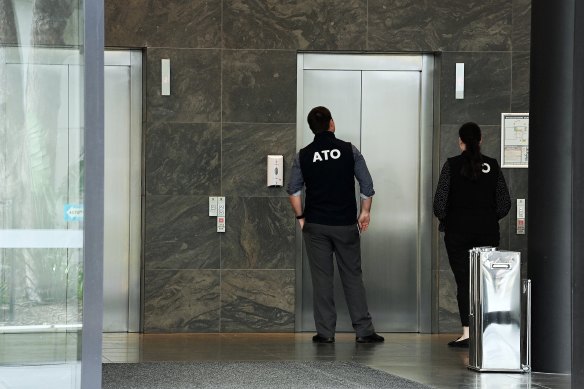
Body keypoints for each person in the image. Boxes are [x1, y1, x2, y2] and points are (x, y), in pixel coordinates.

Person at [286, 106, 384, 344]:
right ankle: (363, 330)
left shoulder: (304, 155)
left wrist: (301, 218)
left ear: (312, 128)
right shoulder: (349, 150)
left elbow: (293, 191)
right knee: (352, 276)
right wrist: (365, 213)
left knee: (322, 279)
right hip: (345, 225)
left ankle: (325, 333)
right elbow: (367, 185)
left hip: (316, 226)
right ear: (332, 123)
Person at [433, 122, 511, 348]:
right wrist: (487, 218)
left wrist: (450, 220)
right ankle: (488, 331)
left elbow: (439, 204)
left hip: (457, 233)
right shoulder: (492, 165)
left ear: (461, 142)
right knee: (488, 281)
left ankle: (468, 333)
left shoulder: (452, 165)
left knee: (464, 281)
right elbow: (504, 203)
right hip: (487, 232)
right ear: (481, 140)